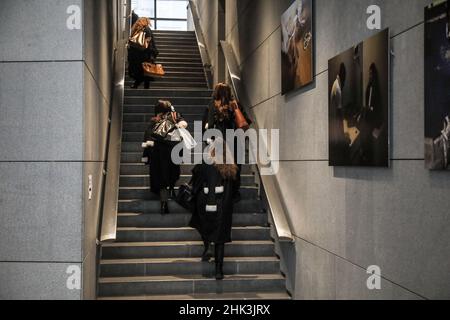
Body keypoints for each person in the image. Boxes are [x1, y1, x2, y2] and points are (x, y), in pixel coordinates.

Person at [189, 139, 238, 280]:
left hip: (207, 205)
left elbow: (196, 181)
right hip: (224, 208)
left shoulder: (206, 164)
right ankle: (218, 270)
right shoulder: (231, 168)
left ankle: (207, 245)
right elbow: (235, 190)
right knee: (220, 240)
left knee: (202, 224)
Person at [203, 83, 248, 202]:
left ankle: (221, 192)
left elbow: (208, 125)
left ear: (216, 92)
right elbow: (245, 123)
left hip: (219, 142)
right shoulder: (236, 104)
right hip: (235, 141)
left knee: (219, 168)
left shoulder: (212, 105)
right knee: (236, 167)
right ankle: (234, 193)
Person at [142, 100, 188, 214]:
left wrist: (146, 155)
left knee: (161, 178)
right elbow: (183, 126)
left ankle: (164, 203)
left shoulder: (155, 121)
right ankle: (171, 189)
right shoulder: (175, 116)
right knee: (173, 172)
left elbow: (148, 137)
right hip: (173, 151)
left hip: (159, 153)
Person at [128, 17, 159, 89]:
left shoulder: (143, 30)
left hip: (142, 54)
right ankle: (145, 87)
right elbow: (149, 42)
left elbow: (146, 42)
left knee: (143, 71)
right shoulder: (145, 30)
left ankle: (137, 85)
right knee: (145, 71)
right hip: (144, 54)